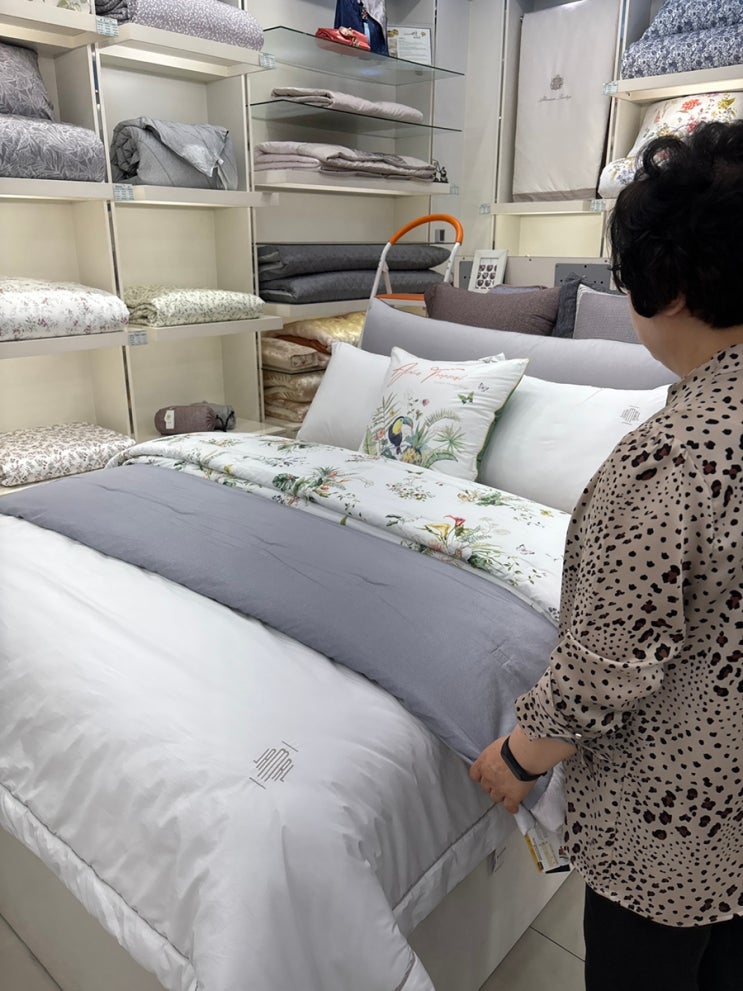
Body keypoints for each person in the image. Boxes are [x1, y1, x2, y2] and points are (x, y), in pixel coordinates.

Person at [469, 120, 743, 991]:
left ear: (666, 289)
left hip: (671, 823)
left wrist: (518, 755)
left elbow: (607, 663)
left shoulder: (669, 459)